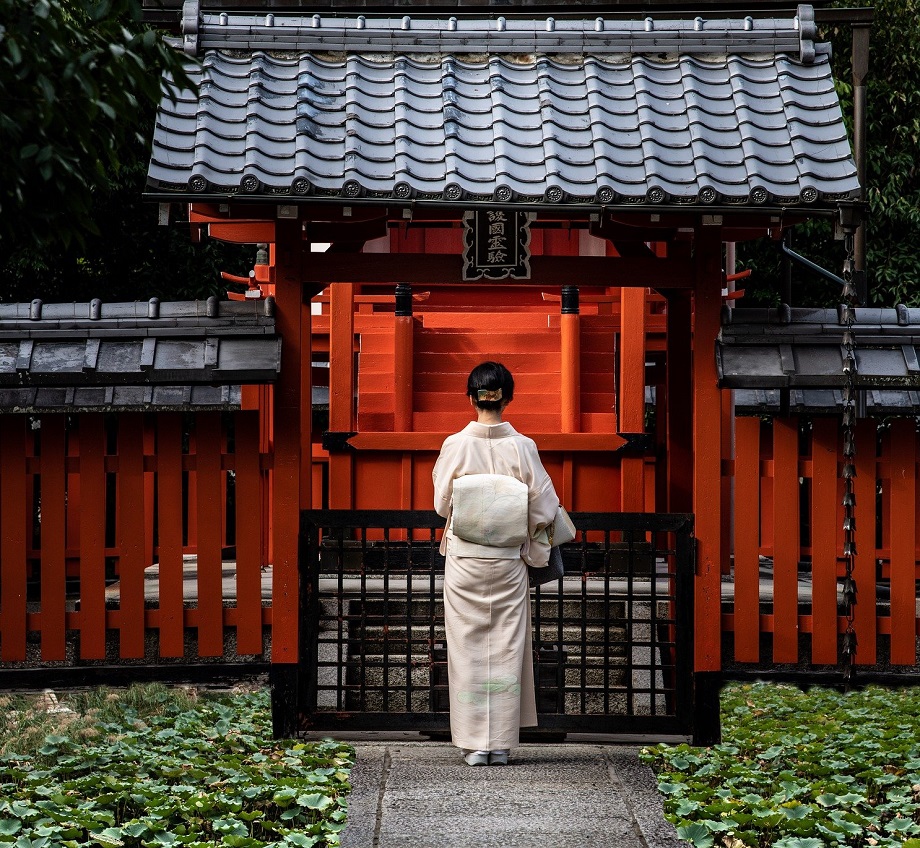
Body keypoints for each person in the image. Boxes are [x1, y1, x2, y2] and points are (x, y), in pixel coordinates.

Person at [432, 361, 560, 766]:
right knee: (506, 644)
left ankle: (474, 744)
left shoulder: (455, 443)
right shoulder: (523, 447)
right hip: (506, 559)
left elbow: (440, 505)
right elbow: (543, 508)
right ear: (508, 397)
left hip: (466, 558)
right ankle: (500, 744)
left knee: (467, 646)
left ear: (472, 398)